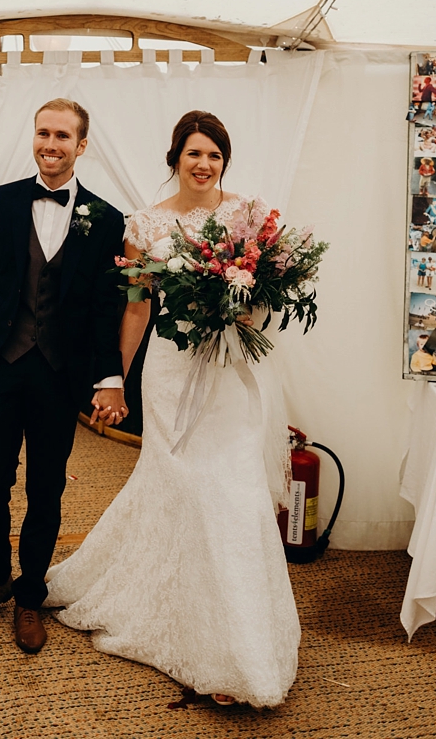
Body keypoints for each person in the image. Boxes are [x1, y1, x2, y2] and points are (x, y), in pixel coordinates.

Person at [44, 111, 300, 708]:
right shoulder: (146, 225)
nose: (204, 165)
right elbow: (136, 306)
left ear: (224, 162)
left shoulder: (252, 218)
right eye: (193, 154)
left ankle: (243, 640)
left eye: (214, 155)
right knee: (181, 484)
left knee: (232, 490)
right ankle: (194, 626)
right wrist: (116, 379)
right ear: (174, 160)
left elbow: (271, 294)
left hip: (231, 367)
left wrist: (243, 313)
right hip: (170, 366)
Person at [0, 98, 128, 654]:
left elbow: (107, 310)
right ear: (34, 138)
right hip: (0, 364)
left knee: (46, 488)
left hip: (59, 373)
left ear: (82, 145)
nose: (50, 145)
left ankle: (30, 594)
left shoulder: (105, 218)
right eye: (42, 134)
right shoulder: (4, 201)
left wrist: (109, 377)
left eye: (62, 136)